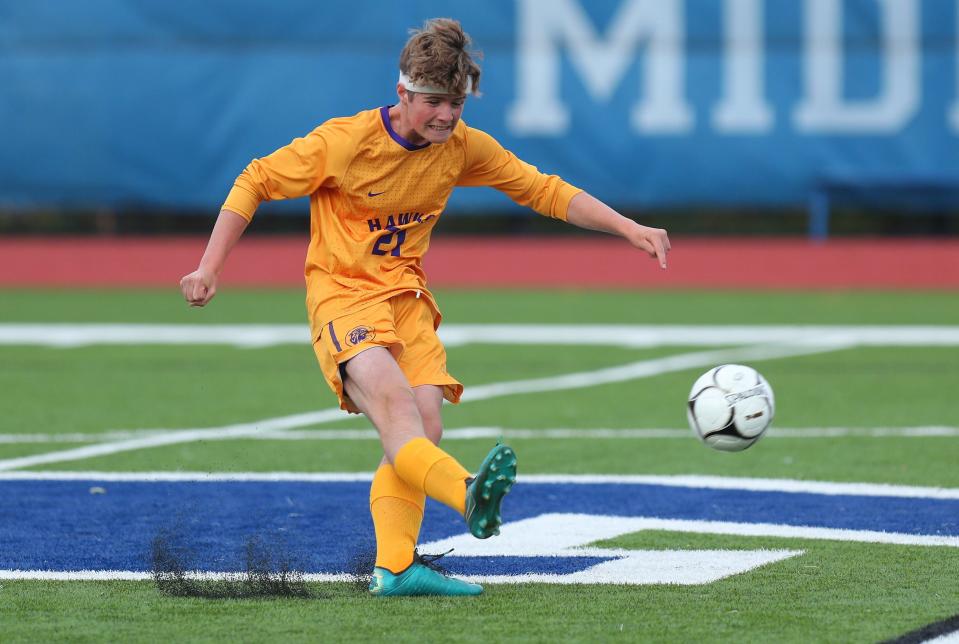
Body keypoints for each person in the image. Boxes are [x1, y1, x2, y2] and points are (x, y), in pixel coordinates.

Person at [179, 17, 670, 597]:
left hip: (407, 300)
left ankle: (394, 568)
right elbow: (255, 179)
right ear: (403, 94)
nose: (445, 115)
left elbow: (543, 189)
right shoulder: (345, 142)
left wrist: (626, 227)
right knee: (397, 412)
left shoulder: (461, 147)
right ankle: (467, 494)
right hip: (343, 295)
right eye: (433, 101)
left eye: (456, 103)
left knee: (425, 426)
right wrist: (210, 265)